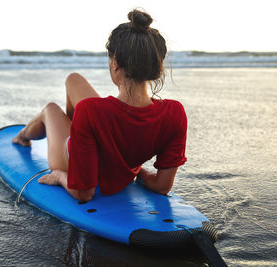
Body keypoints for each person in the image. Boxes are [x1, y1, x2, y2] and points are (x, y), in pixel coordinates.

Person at [12, 9, 187, 202]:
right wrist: (136, 173)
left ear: (114, 65)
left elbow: (84, 193)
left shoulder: (90, 111)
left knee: (50, 109)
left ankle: (22, 137)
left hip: (73, 166)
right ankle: (80, 137)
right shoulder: (175, 113)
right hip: (119, 166)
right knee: (73, 79)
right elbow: (161, 186)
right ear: (156, 67)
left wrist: (59, 177)